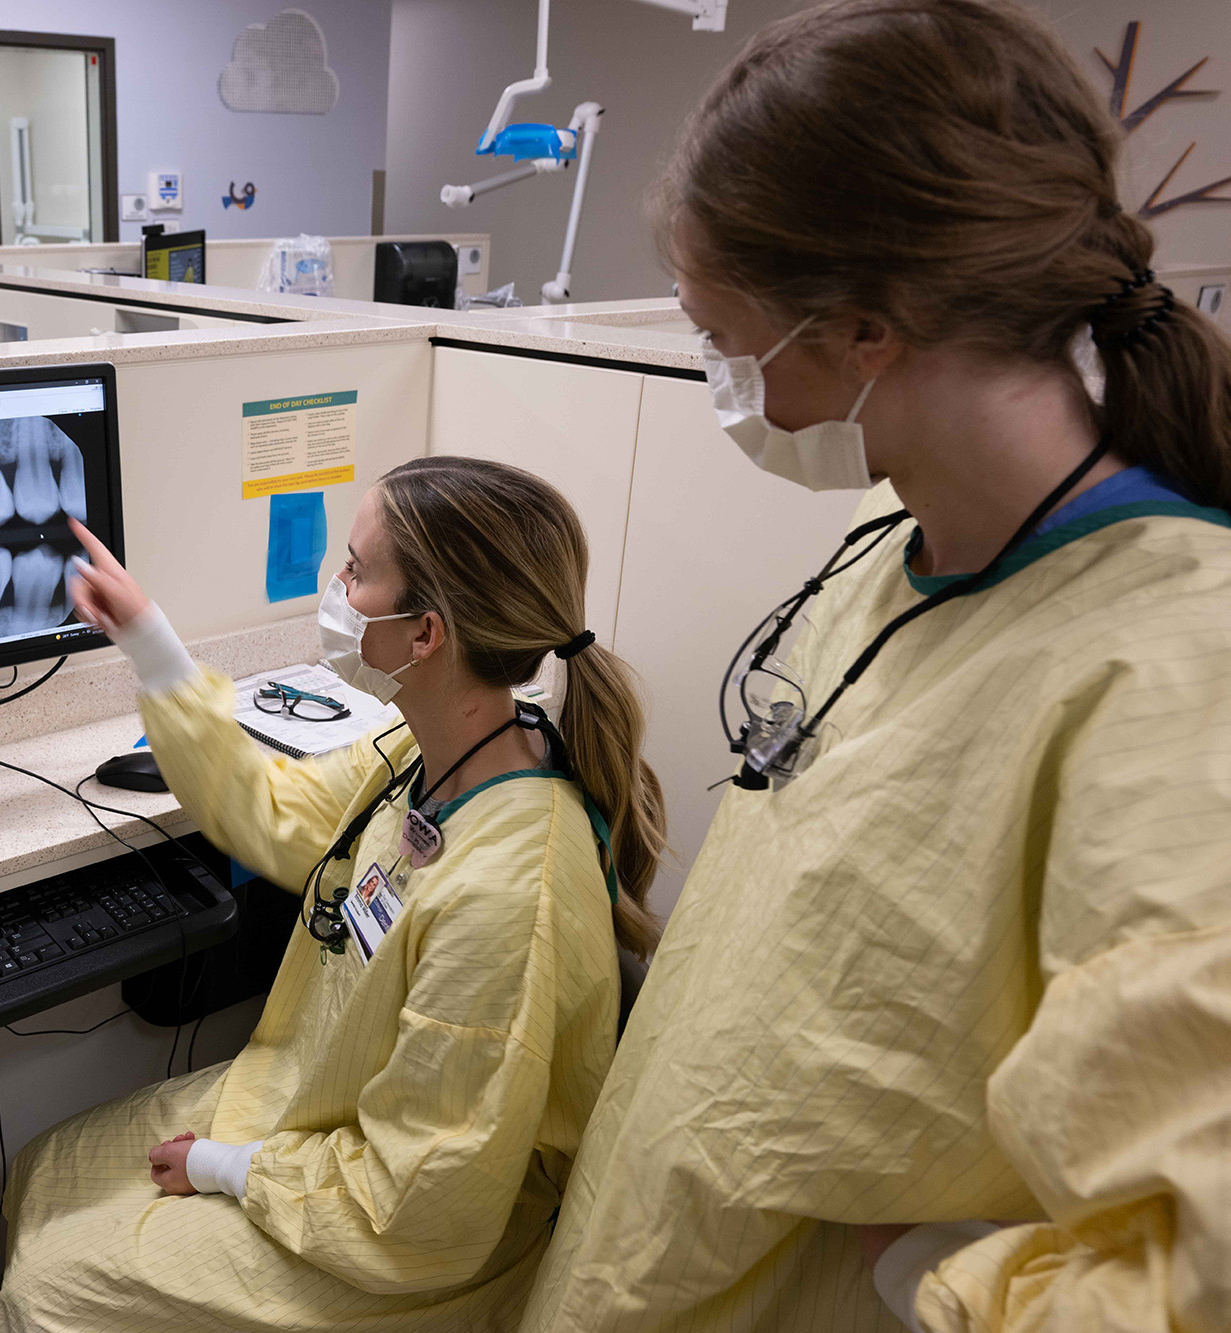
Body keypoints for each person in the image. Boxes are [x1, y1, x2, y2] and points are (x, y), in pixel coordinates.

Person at [517, 2, 1231, 1331]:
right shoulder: (885, 531)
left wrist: (928, 1277)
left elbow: (1193, 1271)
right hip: (670, 1228)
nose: (726, 379)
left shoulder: (1176, 678)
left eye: (720, 334)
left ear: (862, 331)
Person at [0, 457, 667, 1332]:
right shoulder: (440, 750)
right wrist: (151, 641)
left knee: (50, 1291)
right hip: (317, 1113)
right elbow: (274, 809)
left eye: (355, 569)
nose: (336, 589)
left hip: (406, 1240)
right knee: (48, 1167)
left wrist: (228, 1169)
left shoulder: (507, 894)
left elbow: (422, 1202)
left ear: (425, 635)